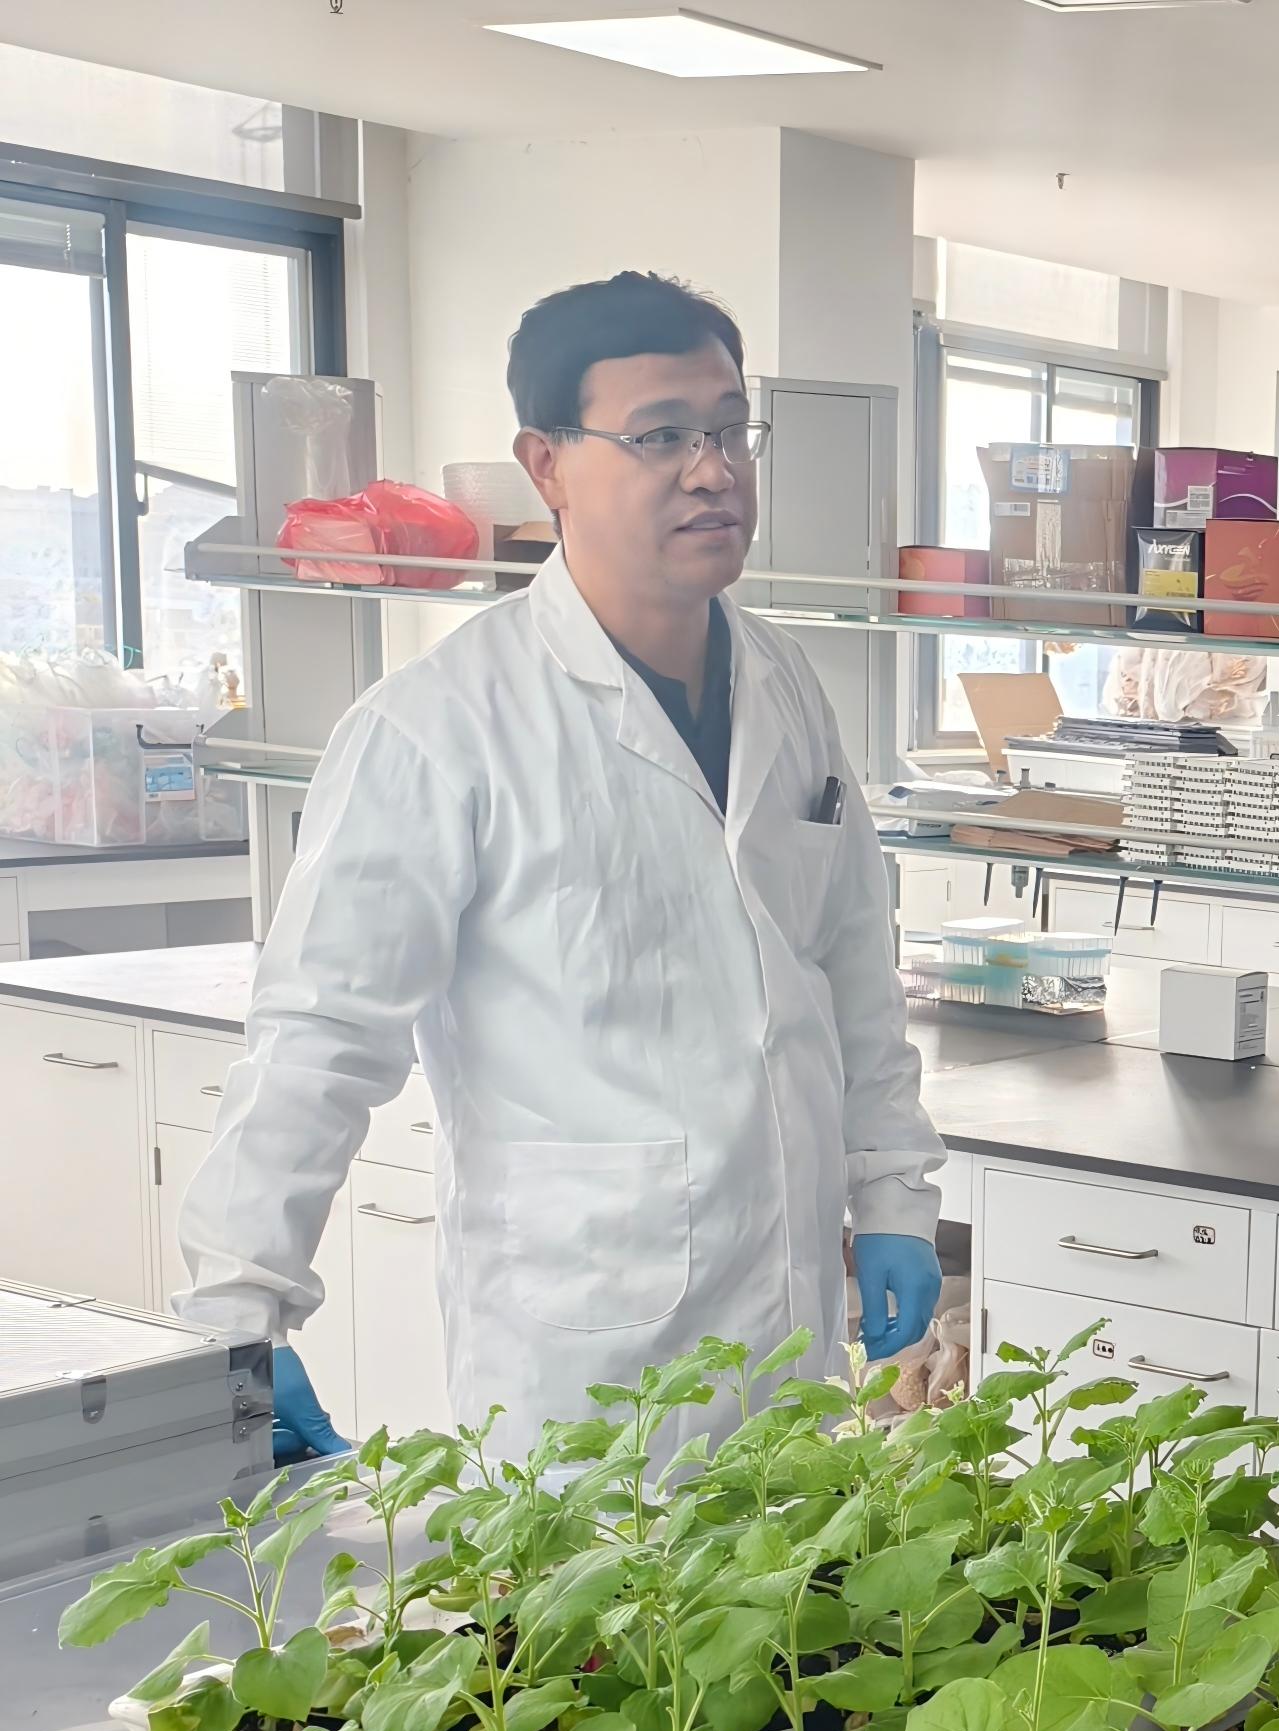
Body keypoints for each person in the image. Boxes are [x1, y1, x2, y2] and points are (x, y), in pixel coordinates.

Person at [177, 272, 943, 1460]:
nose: (713, 471)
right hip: (584, 1354)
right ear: (546, 466)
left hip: (788, 1328)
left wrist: (890, 1189)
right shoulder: (439, 728)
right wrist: (239, 1313)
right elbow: (319, 1038)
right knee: (581, 1585)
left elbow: (849, 965)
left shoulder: (785, 684)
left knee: (788, 1572)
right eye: (660, 436)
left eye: (729, 429)